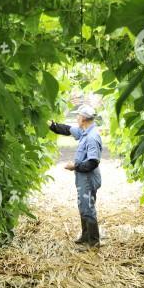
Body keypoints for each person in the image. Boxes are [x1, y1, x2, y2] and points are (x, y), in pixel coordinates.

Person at [49, 104, 102, 248]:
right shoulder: (84, 131)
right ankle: (85, 236)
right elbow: (67, 129)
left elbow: (92, 162)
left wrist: (74, 166)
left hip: (89, 178)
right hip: (83, 178)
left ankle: (94, 241)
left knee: (88, 207)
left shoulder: (92, 137)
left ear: (83, 118)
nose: (76, 118)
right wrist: (52, 125)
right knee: (83, 205)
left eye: (78, 115)